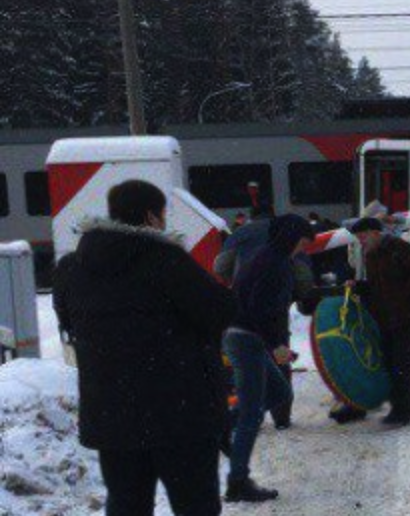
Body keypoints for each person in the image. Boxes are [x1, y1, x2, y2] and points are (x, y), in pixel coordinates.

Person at [52, 180, 236, 516]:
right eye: (163, 214)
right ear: (151, 217)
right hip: (179, 414)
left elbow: (69, 323)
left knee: (126, 505)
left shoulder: (71, 269)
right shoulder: (166, 261)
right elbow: (219, 311)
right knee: (196, 505)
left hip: (112, 415)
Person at [224, 215, 315, 503]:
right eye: (302, 242)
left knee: (279, 391)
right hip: (246, 337)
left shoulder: (271, 257)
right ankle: (238, 482)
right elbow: (259, 308)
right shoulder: (274, 263)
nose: (303, 249)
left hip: (247, 335)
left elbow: (263, 307)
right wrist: (276, 345)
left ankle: (221, 425)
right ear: (290, 238)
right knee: (252, 412)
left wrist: (275, 343)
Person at [349, 217, 410, 427]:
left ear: (376, 233)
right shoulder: (371, 255)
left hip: (405, 317)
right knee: (393, 363)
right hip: (385, 319)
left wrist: (405, 300)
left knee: (400, 365)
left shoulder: (399, 248)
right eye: (358, 238)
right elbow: (376, 287)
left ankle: (401, 412)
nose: (361, 241)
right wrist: (359, 286)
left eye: (363, 236)